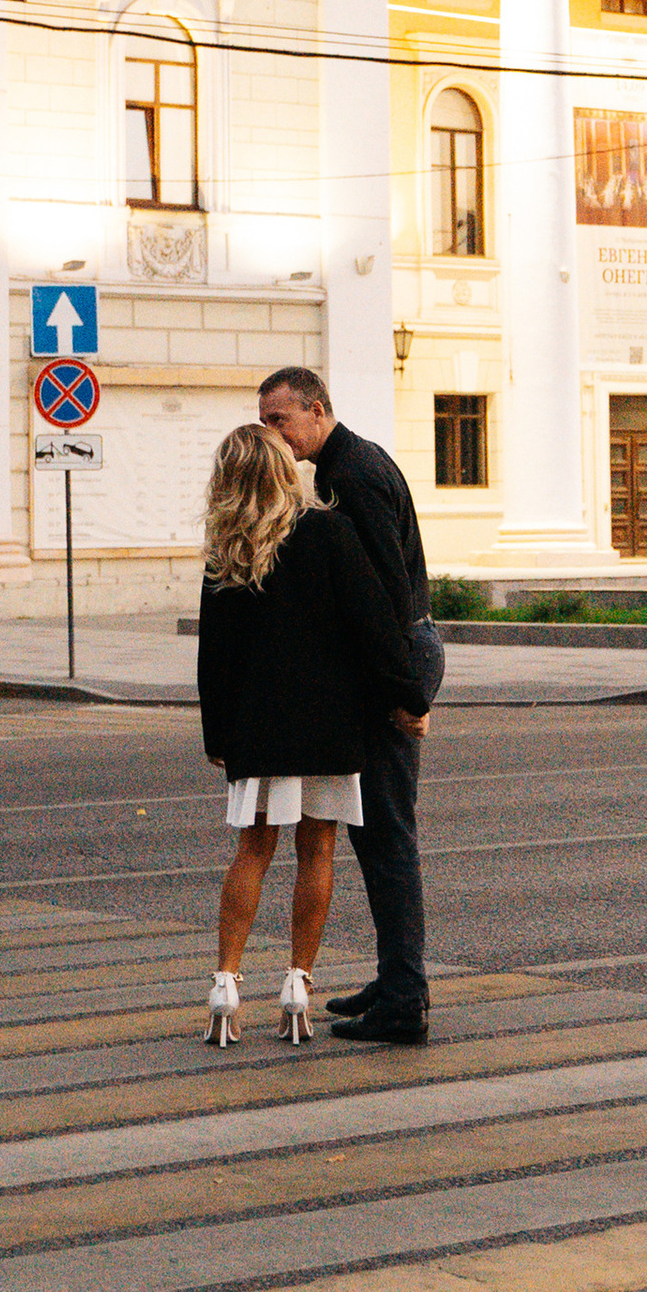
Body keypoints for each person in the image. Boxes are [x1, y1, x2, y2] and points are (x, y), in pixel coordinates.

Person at [195, 422, 428, 1051]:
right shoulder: (328, 531)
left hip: (257, 726)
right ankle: (297, 986)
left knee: (252, 850)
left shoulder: (228, 548)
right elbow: (373, 627)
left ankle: (225, 985)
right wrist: (410, 697)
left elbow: (213, 656)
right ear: (281, 471)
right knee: (316, 851)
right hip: (328, 723)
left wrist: (217, 733)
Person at [257, 364, 443, 1045]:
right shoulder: (348, 465)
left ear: (314, 410)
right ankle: (395, 978)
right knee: (375, 835)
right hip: (397, 655)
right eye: (265, 422)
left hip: (396, 657)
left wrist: (405, 692)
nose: (272, 433)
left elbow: (385, 595)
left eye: (279, 420)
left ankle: (405, 1001)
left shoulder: (351, 476)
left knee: (388, 836)